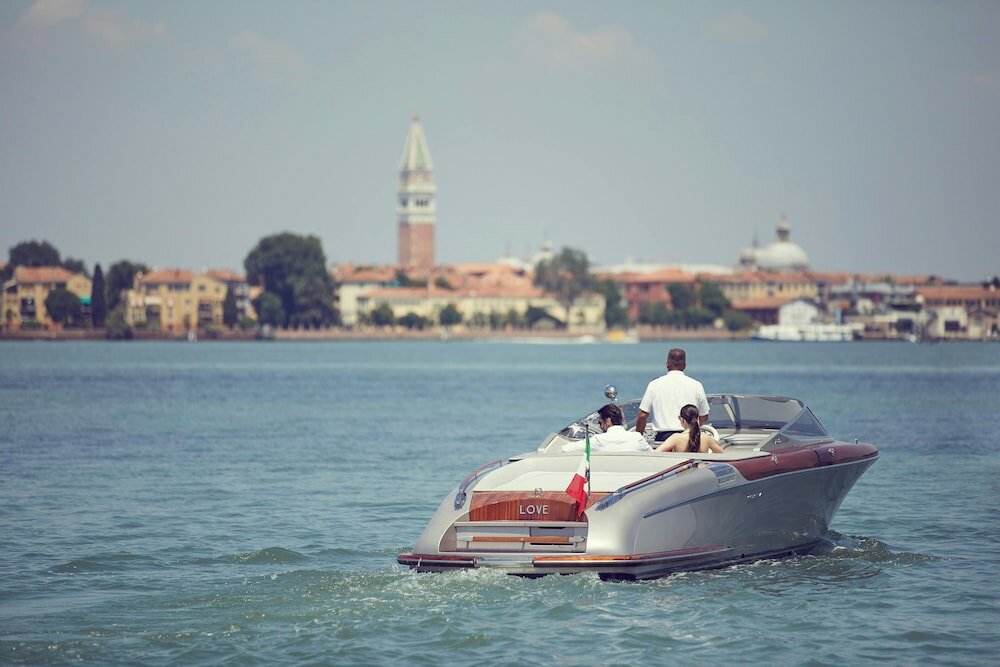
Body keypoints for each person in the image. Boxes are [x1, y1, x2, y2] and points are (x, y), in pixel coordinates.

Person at [634, 347, 709, 442]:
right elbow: (703, 417)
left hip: (663, 439)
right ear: (685, 365)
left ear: (667, 364)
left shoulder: (654, 384)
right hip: (689, 438)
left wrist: (638, 436)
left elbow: (642, 416)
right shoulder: (697, 385)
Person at [562, 403, 653, 453]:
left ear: (608, 421)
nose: (600, 426)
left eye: (600, 422)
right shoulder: (637, 438)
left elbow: (566, 449)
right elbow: (654, 455)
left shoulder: (599, 440)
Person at [655, 404, 724, 454]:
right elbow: (722, 454)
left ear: (682, 420)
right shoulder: (706, 438)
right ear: (697, 419)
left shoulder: (676, 438)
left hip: (683, 473)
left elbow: (656, 453)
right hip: (703, 472)